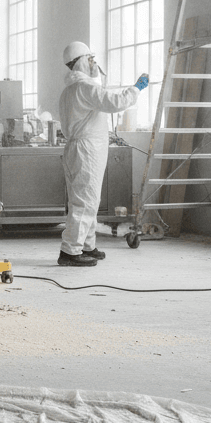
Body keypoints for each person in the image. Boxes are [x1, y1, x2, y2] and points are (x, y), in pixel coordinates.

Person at [58, 42, 149, 266]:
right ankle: (70, 251)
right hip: (87, 150)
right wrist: (136, 88)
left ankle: (86, 245)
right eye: (91, 59)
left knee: (88, 199)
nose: (94, 64)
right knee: (85, 201)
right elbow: (114, 102)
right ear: (81, 61)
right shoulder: (84, 87)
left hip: (80, 149)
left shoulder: (70, 89)